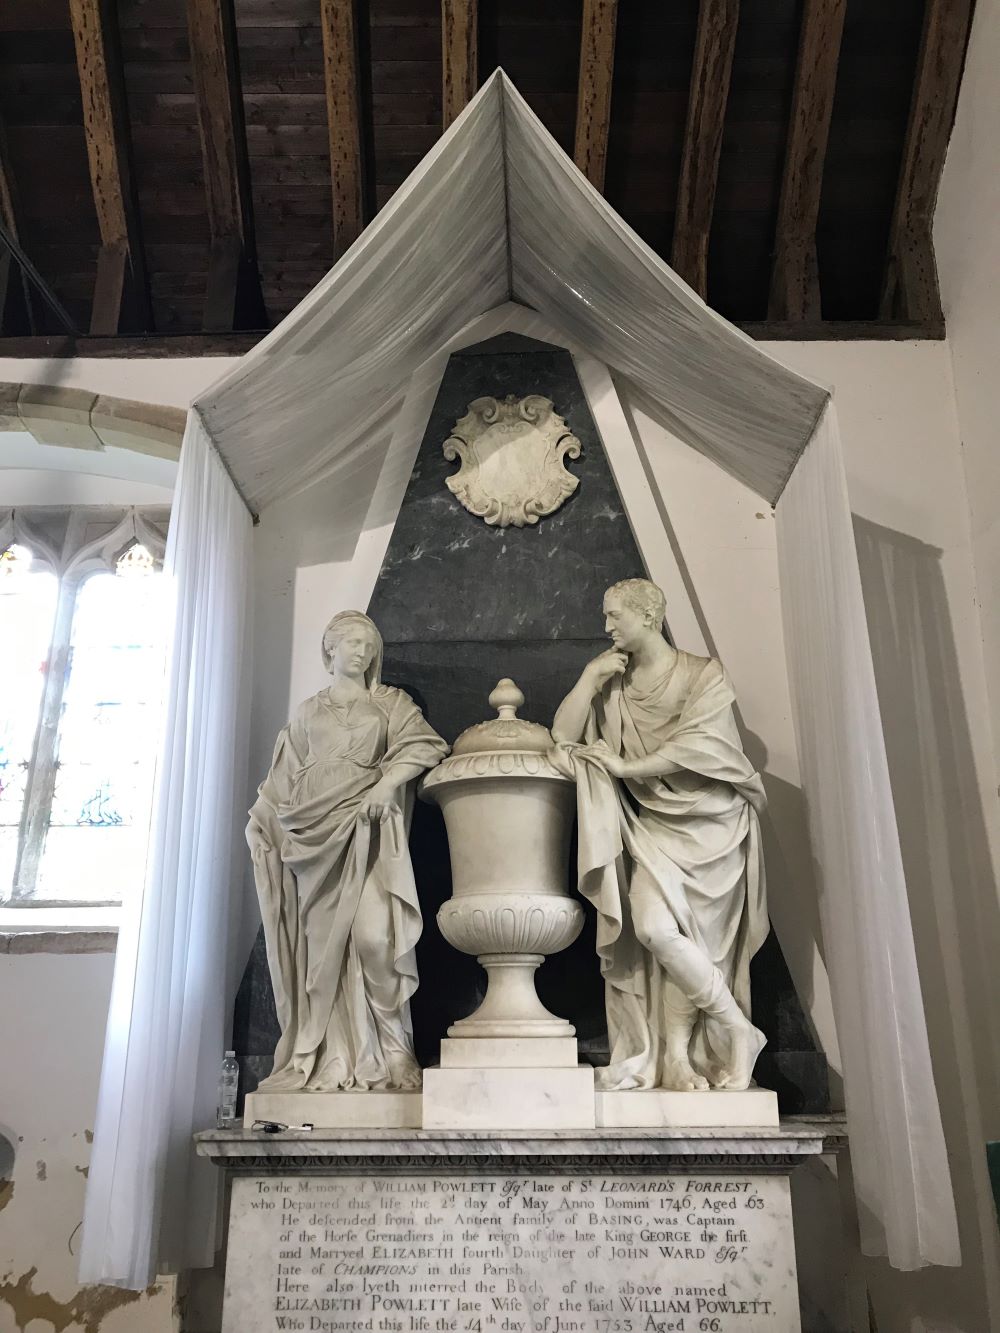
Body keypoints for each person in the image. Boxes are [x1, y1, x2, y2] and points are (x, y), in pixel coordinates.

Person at [551, 578, 767, 1092]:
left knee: (693, 942)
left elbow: (701, 746)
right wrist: (587, 679)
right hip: (654, 827)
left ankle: (678, 1056)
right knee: (652, 929)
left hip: (712, 825)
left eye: (614, 616)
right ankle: (737, 1027)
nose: (606, 628)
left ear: (648, 616)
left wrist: (626, 767)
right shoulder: (614, 687)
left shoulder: (702, 675)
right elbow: (562, 735)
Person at [247, 610, 448, 1092]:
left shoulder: (390, 703)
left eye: (368, 646)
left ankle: (396, 1051)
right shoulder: (308, 711)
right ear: (330, 649)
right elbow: (283, 778)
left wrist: (386, 785)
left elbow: (425, 746)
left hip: (367, 833)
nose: (362, 652)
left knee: (375, 940)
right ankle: (333, 1057)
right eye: (352, 643)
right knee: (323, 958)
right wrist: (261, 821)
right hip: (312, 841)